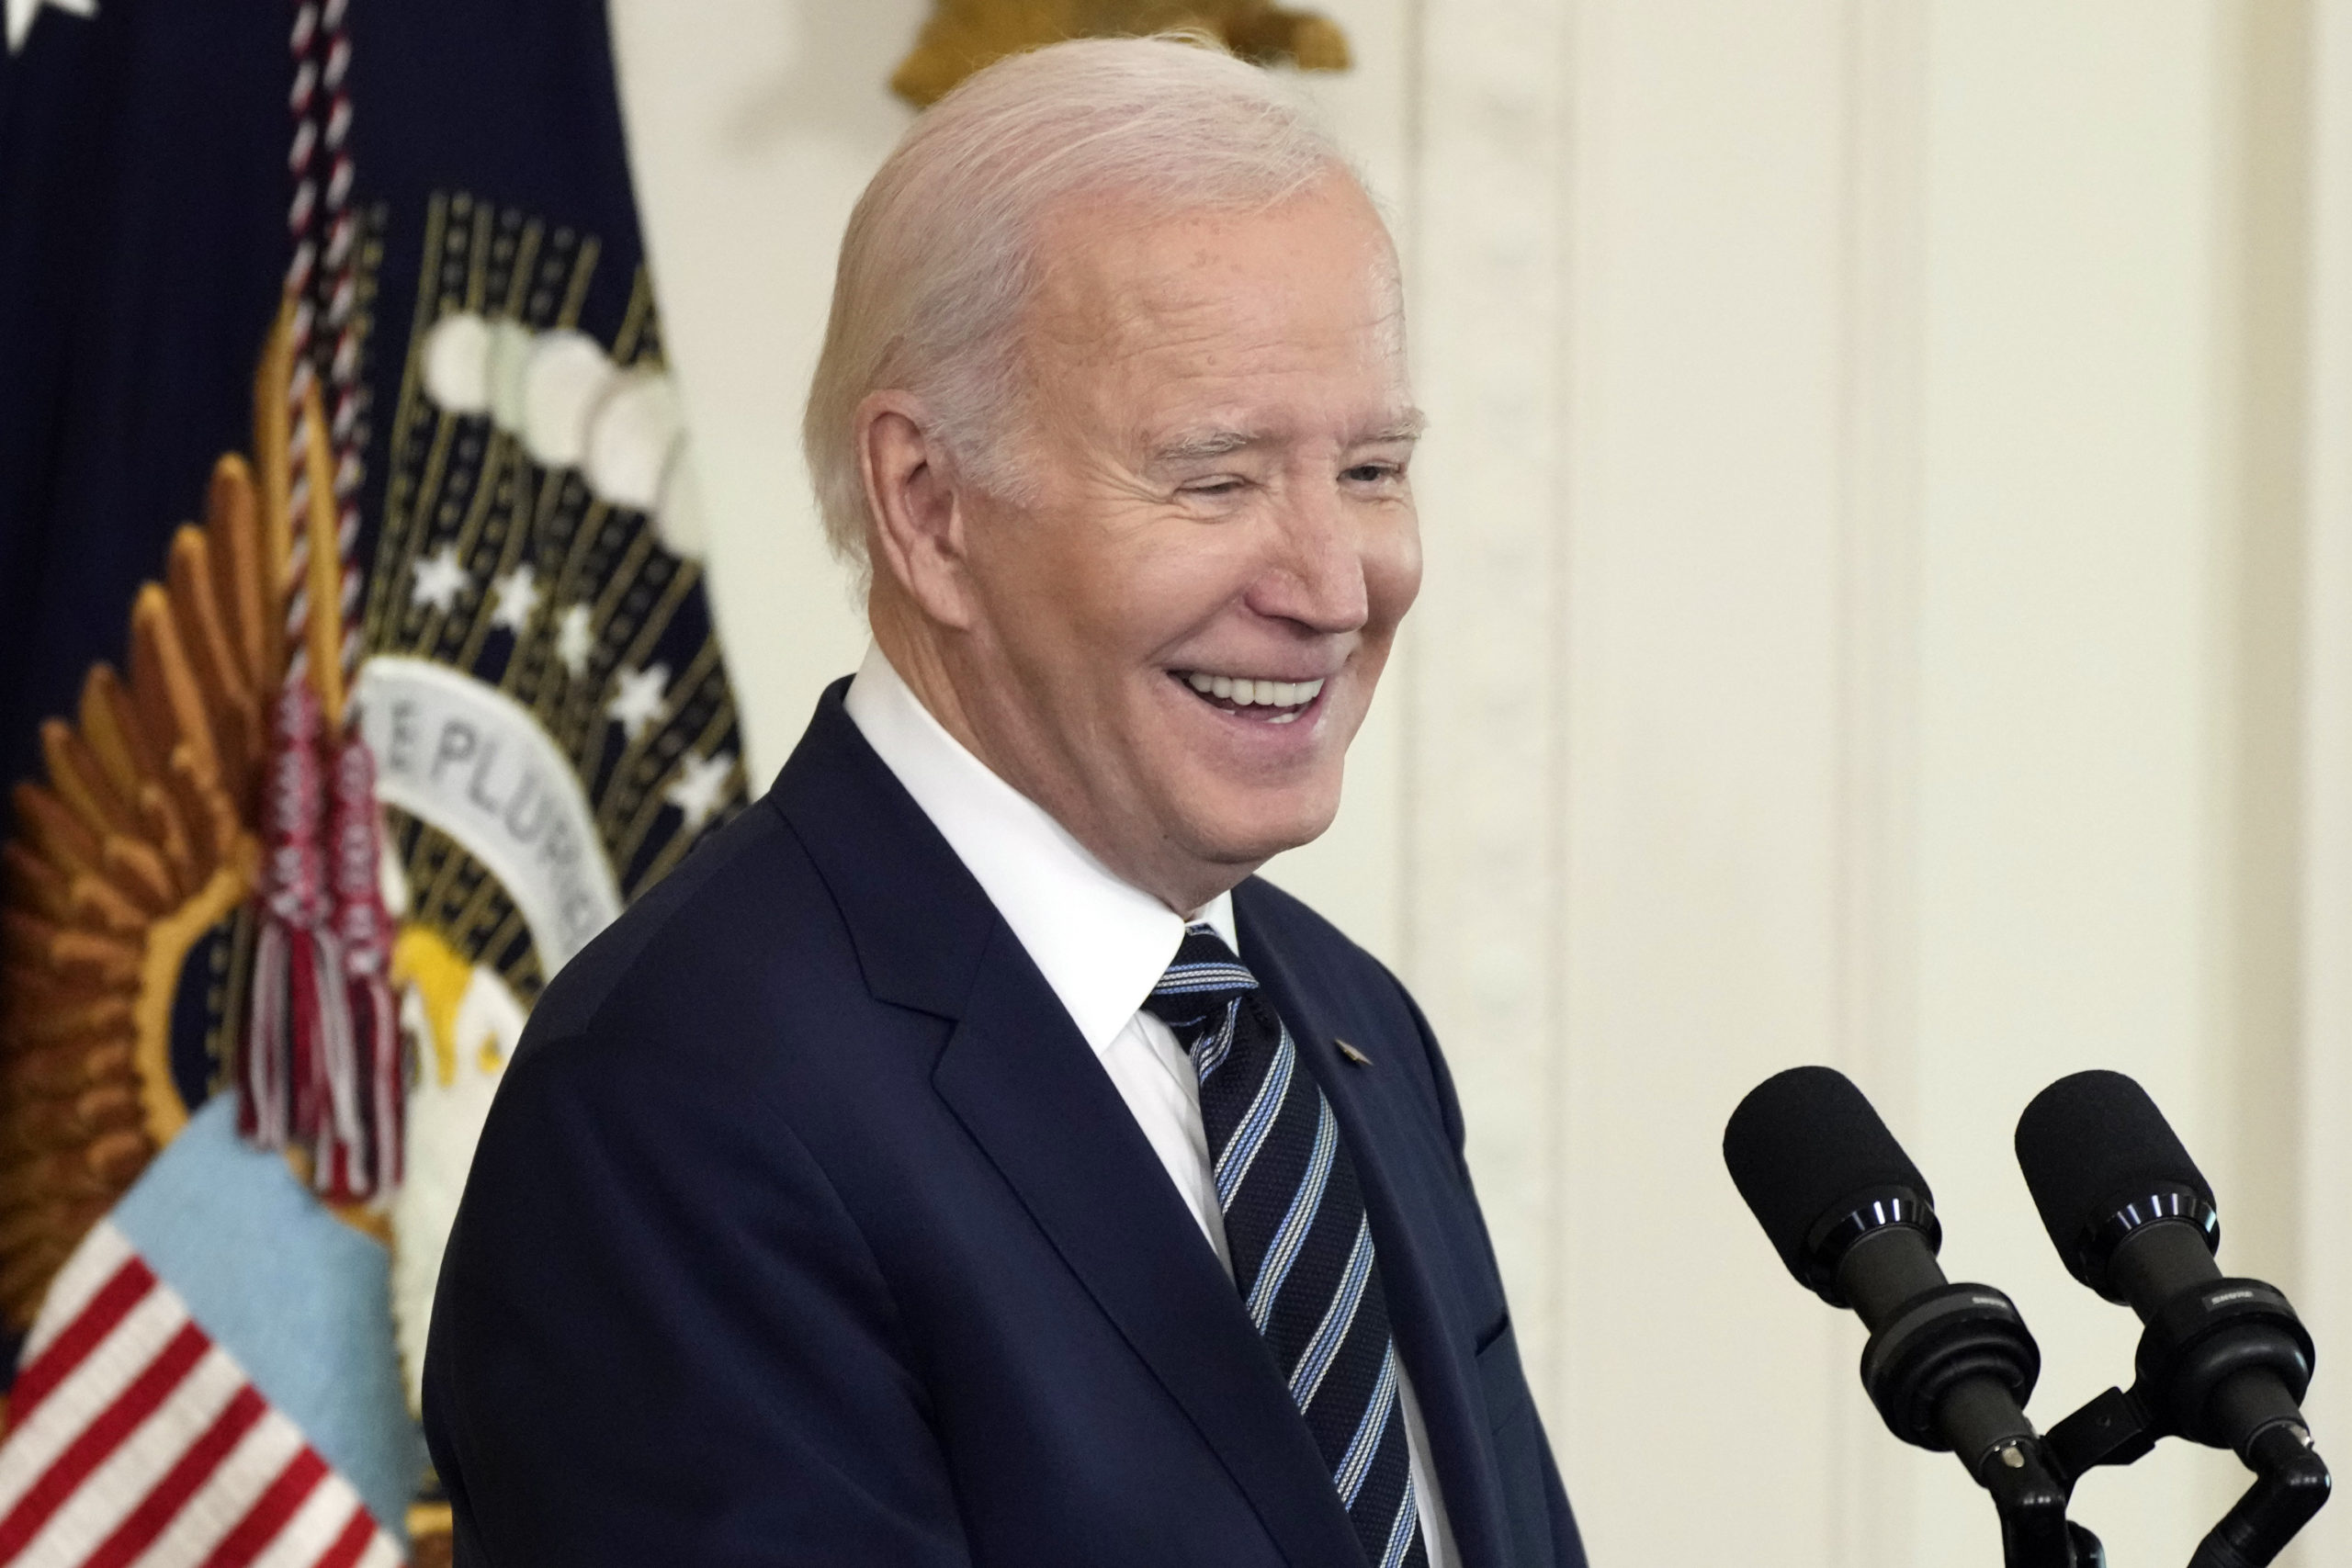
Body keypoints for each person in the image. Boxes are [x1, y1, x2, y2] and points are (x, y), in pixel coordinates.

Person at [423, 35, 1586, 1568]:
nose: (1330, 585)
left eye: (1370, 469)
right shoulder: (676, 1106)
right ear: (928, 506)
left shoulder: (1347, 1027)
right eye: (1216, 479)